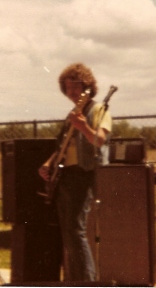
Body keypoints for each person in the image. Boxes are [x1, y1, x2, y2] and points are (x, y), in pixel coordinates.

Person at [38, 62, 112, 282]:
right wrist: (47, 163)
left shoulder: (97, 109)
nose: (72, 92)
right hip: (66, 175)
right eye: (68, 88)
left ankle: (87, 282)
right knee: (68, 232)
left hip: (83, 174)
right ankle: (77, 280)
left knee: (75, 231)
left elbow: (99, 139)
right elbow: (63, 146)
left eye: (76, 87)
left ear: (87, 86)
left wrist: (83, 127)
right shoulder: (74, 112)